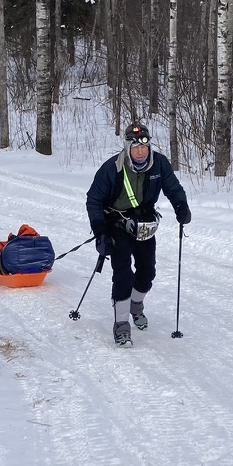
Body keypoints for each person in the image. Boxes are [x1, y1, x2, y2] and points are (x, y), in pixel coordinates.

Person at [86, 122, 191, 347]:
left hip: (144, 224)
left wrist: (181, 206)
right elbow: (94, 200)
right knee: (123, 274)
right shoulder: (112, 167)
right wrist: (100, 233)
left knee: (147, 272)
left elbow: (173, 188)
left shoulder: (159, 164)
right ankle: (121, 324)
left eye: (144, 146)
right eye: (135, 147)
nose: (141, 152)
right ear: (127, 148)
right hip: (117, 224)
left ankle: (136, 305)